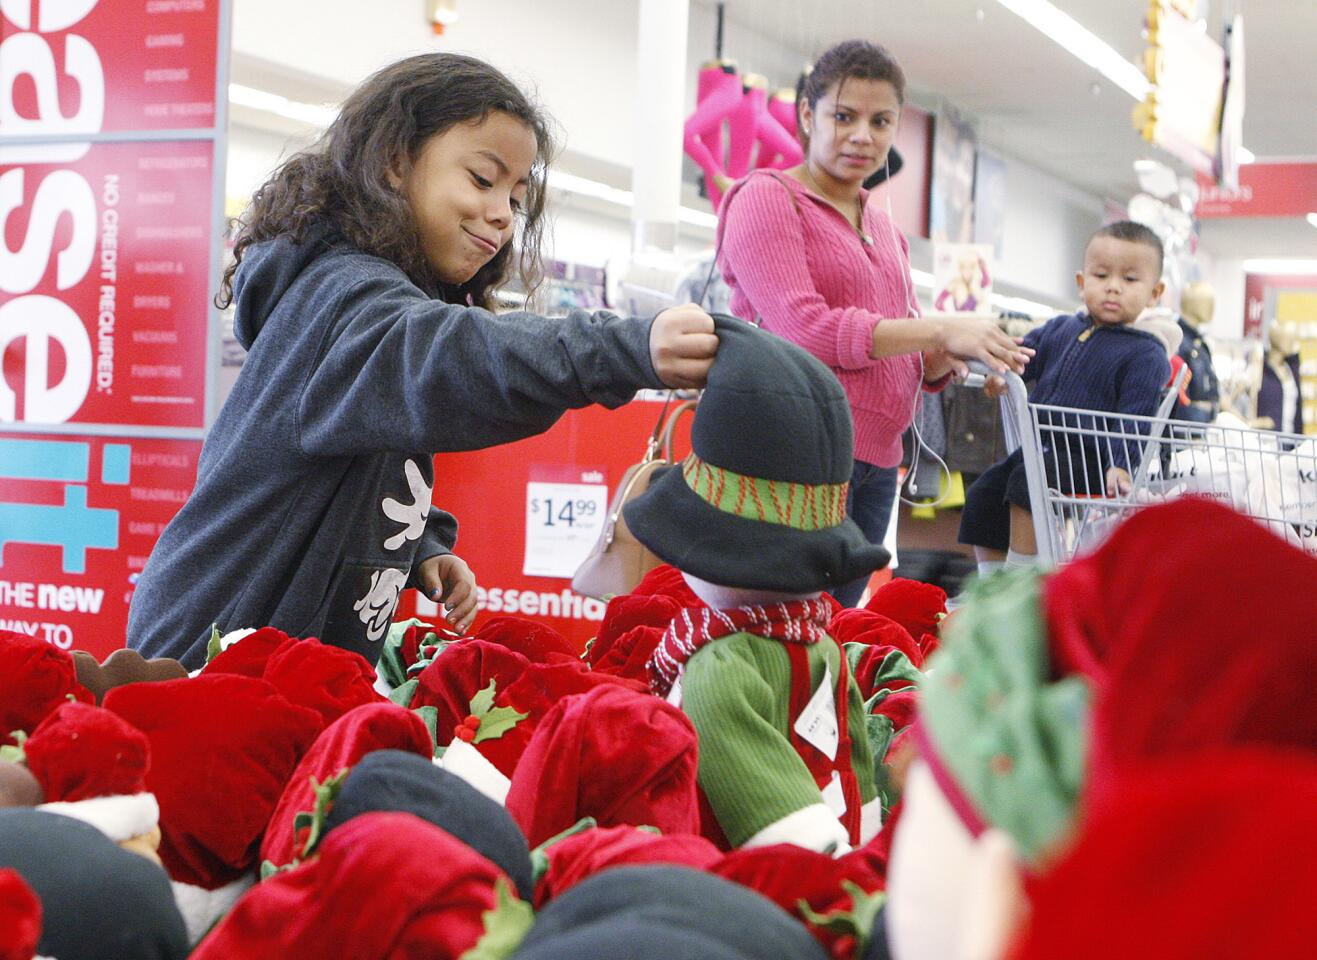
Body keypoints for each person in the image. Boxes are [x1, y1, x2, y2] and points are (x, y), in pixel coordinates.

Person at [125, 53, 718, 669]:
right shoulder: (342, 297)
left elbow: (355, 452)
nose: (502, 215)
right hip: (206, 658)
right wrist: (625, 348)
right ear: (394, 163)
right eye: (483, 180)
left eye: (516, 197)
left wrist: (419, 543)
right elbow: (451, 359)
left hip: (279, 667)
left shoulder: (373, 296)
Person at [715, 39, 1030, 608]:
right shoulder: (766, 199)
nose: (862, 135)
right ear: (808, 116)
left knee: (835, 626)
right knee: (774, 627)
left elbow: (900, 344)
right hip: (795, 450)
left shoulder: (886, 231)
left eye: (880, 121)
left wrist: (954, 361)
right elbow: (803, 328)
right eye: (844, 116)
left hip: (878, 461)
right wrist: (938, 330)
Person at [623, 318, 891, 854]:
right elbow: (858, 776)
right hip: (850, 875)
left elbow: (790, 841)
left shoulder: (721, 669)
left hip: (753, 894)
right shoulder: (825, 646)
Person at [957, 221, 1173, 573]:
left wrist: (1121, 465)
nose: (1114, 288)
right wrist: (1000, 372)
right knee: (983, 493)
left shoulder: (1146, 354)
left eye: (1130, 279)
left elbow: (1136, 419)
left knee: (1028, 483)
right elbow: (1024, 356)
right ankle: (991, 584)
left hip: (1089, 459)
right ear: (1081, 281)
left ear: (1155, 292)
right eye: (1101, 275)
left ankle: (1021, 580)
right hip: (1038, 449)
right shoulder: (1060, 328)